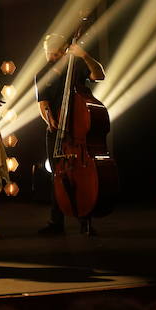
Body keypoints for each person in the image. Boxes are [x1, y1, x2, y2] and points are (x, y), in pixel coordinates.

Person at [36, 31, 106, 236]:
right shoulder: (42, 72)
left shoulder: (76, 65)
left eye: (56, 53)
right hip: (56, 131)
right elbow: (43, 102)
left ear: (65, 49)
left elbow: (99, 75)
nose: (51, 57)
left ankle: (86, 221)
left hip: (78, 131)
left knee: (82, 176)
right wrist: (49, 120)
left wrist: (84, 55)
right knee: (57, 176)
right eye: (49, 53)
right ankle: (56, 222)